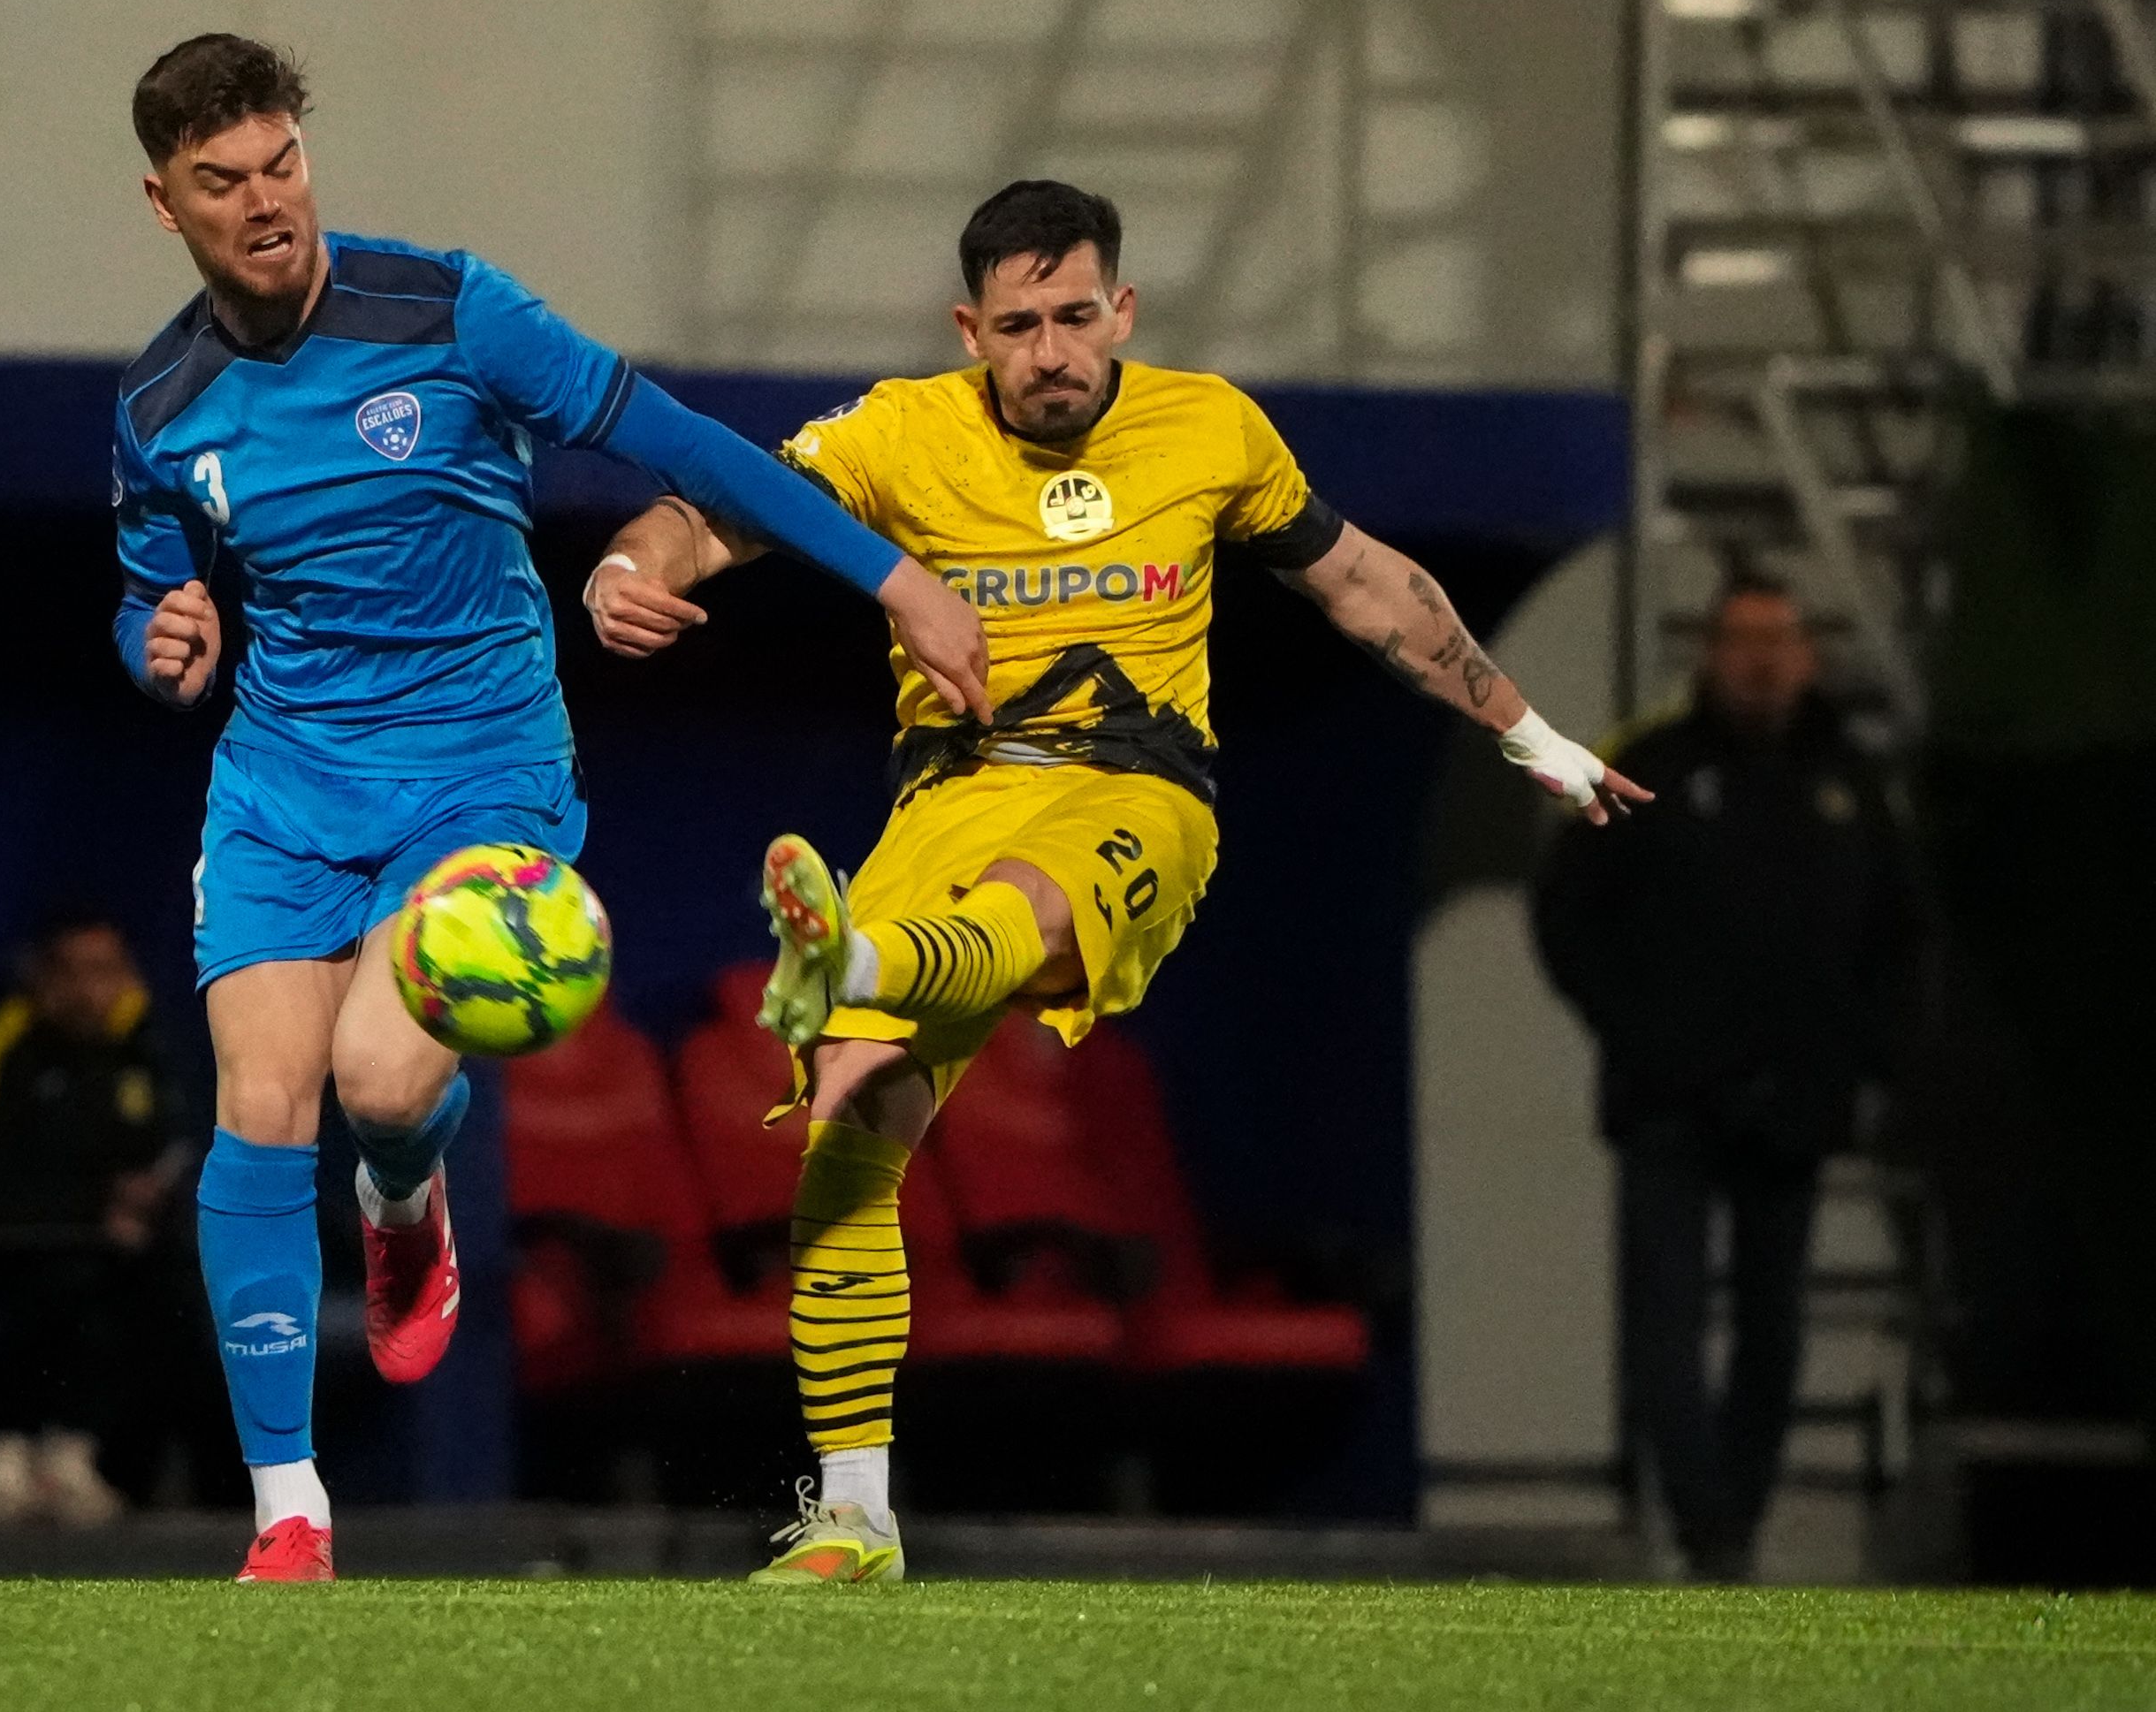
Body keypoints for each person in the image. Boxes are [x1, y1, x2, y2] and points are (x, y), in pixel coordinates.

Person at [587, 179, 1652, 1583]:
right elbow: (708, 509)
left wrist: (1528, 731)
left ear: (1122, 309)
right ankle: (854, 1517)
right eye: (1019, 325)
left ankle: (854, 963)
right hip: (950, 799)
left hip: (1134, 794)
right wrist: (622, 564)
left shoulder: (1209, 427)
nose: (1052, 352)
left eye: (1076, 317)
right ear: (971, 330)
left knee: (1024, 921)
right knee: (848, 1143)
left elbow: (1373, 588)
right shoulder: (900, 432)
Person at [107, 34, 981, 1580]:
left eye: (283, 163)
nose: (267, 204)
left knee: (379, 1079)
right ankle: (289, 1518)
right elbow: (148, 589)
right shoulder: (163, 402)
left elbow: (689, 446)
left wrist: (898, 581)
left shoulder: (449, 308)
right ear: (163, 204)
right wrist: (160, 636)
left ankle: (403, 1188)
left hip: (480, 767)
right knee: (254, 1110)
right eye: (222, 182)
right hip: (283, 786)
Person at [1535, 575, 1916, 1580]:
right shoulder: (1649, 769)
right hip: (1669, 1100)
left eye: (1776, 639)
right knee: (1664, 1318)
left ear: (1806, 656)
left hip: (1793, 1101)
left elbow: (1898, 935)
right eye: (1740, 639)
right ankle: (1701, 1520)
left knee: (1771, 1323)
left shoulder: (1849, 782)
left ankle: (1736, 1520)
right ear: (1707, 652)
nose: (1758, 660)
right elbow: (1568, 915)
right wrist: (1637, 1034)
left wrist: (1861, 1055)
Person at [0, 911, 194, 1526]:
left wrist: (138, 1203)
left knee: (180, 1285)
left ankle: (101, 1461)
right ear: (42, 979)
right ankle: (1, 1449)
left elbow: (163, 1152)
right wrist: (91, 1210)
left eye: (105, 972)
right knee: (59, 1281)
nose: (91, 991)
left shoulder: (142, 1053)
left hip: (102, 1252)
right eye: (74, 973)